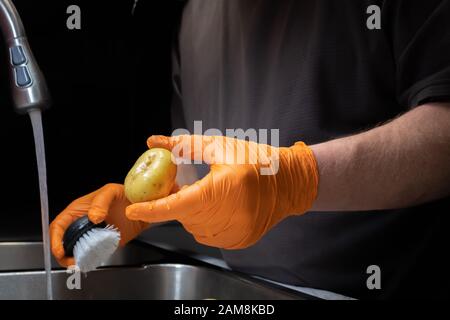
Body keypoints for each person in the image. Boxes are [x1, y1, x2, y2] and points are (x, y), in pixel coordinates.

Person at [50, 0, 450, 299]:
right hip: (241, 291)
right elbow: (197, 162)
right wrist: (145, 211)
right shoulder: (195, 14)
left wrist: (296, 180)